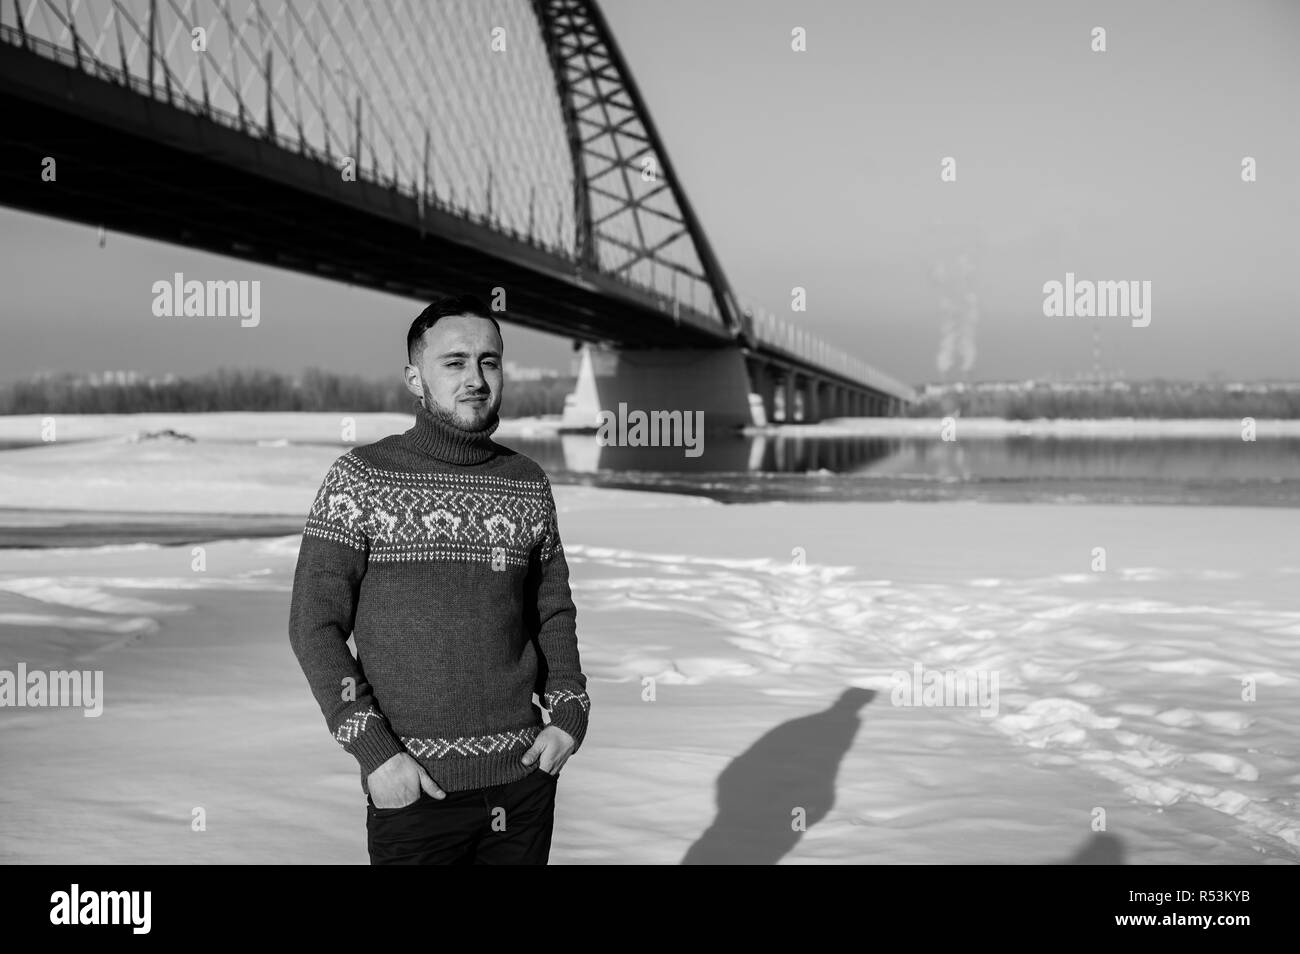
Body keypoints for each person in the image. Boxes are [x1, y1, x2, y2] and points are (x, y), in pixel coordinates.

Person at [288, 294, 590, 864]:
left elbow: (551, 612)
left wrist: (568, 712)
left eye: (489, 361)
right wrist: (376, 755)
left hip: (521, 785)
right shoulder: (361, 478)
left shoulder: (526, 482)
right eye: (454, 363)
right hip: (414, 790)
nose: (475, 379)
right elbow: (314, 626)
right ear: (414, 377)